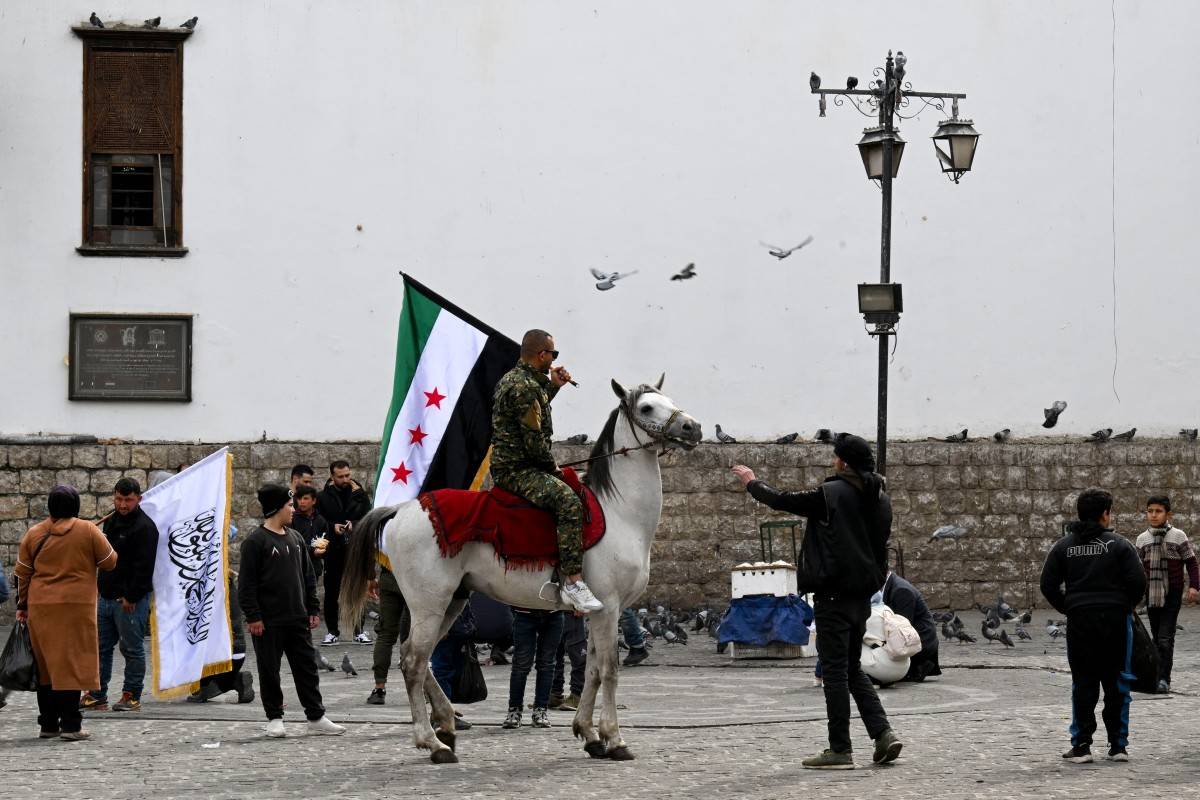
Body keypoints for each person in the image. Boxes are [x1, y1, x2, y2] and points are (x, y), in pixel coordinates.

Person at [732, 433, 902, 770]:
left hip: (833, 594)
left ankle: (840, 748)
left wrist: (752, 483)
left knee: (835, 672)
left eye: (837, 456)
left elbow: (782, 500)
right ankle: (883, 734)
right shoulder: (881, 500)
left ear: (844, 462)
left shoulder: (831, 494)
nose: (834, 461)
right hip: (862, 597)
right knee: (851, 668)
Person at [490, 329, 601, 614]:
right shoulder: (525, 387)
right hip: (518, 470)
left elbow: (530, 412)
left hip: (516, 464)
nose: (554, 359)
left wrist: (553, 386)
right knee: (568, 501)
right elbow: (534, 442)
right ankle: (573, 582)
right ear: (542, 355)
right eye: (553, 354)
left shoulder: (518, 380)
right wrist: (553, 468)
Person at [1041, 488, 1146, 764]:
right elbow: (1138, 583)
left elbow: (1048, 585)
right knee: (1118, 682)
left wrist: (1069, 606)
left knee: (1083, 682)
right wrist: (1123, 605)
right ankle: (1118, 746)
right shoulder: (1120, 545)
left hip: (1080, 622)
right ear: (1105, 514)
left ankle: (1081, 746)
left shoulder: (1063, 547)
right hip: (1115, 621)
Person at [239, 483, 344, 738]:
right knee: (269, 671)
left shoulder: (296, 538)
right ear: (276, 508)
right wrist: (253, 616)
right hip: (269, 621)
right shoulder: (255, 542)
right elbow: (247, 584)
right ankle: (275, 718)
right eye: (289, 505)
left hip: (297, 618)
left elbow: (308, 577)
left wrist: (312, 608)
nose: (293, 509)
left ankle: (316, 716)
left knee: (306, 668)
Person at [14, 485, 117, 741]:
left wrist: (22, 605)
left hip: (41, 607)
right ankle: (71, 725)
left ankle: (48, 724)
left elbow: (23, 574)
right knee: (72, 664)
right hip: (76, 608)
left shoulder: (34, 533)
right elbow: (110, 561)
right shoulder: (88, 530)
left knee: (46, 667)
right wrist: (96, 539)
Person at [79, 478, 158, 712]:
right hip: (105, 597)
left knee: (131, 649)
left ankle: (131, 695)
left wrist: (131, 596)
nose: (123, 504)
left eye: (128, 500)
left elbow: (145, 568)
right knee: (101, 648)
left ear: (138, 499)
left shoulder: (145, 528)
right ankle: (97, 694)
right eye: (119, 499)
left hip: (129, 602)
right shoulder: (111, 521)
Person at [1134, 494, 1198, 693]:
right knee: (1156, 637)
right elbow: (1136, 569)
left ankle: (1164, 679)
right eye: (1150, 511)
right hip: (1151, 596)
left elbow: (1191, 563)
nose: (1154, 515)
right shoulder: (1142, 539)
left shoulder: (1178, 536)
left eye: (1158, 511)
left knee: (1165, 638)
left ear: (1168, 514)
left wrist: (1194, 586)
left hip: (1172, 593)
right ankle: (1156, 675)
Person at [316, 460, 372, 645]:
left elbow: (368, 519)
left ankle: (359, 630)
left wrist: (353, 524)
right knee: (332, 593)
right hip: (333, 551)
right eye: (340, 476)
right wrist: (333, 527)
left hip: (355, 550)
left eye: (347, 475)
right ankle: (332, 631)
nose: (345, 479)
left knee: (357, 591)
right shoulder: (322, 497)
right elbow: (319, 521)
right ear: (332, 476)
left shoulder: (360, 495)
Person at [187, 572, 255, 704]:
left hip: (219, 657)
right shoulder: (229, 585)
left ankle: (209, 685)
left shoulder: (204, 586)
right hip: (238, 654)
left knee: (193, 649)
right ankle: (232, 679)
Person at [503, 607, 565, 728]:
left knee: (545, 664)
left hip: (553, 613)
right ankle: (516, 710)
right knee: (522, 665)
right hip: (525, 612)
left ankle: (538, 710)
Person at [880, 571, 941, 682]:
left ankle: (917, 668)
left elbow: (900, 628)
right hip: (914, 638)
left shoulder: (901, 590)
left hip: (921, 644)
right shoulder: (892, 586)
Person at [366, 566, 408, 706]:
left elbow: (373, 553)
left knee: (385, 635)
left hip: (389, 576)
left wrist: (371, 576)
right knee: (415, 635)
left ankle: (379, 688)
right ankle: (421, 689)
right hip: (414, 576)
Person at [291, 485, 329, 579]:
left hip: (314, 568)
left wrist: (322, 550)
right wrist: (312, 551)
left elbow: (325, 541)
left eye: (305, 498)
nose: (302, 502)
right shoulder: (292, 519)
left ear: (314, 501)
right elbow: (292, 543)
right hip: (296, 568)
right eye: (299, 498)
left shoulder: (321, 520)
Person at [549, 612, 585, 711]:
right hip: (553, 609)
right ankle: (554, 694)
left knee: (577, 652)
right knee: (553, 651)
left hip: (571, 609)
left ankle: (576, 695)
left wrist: (579, 605)